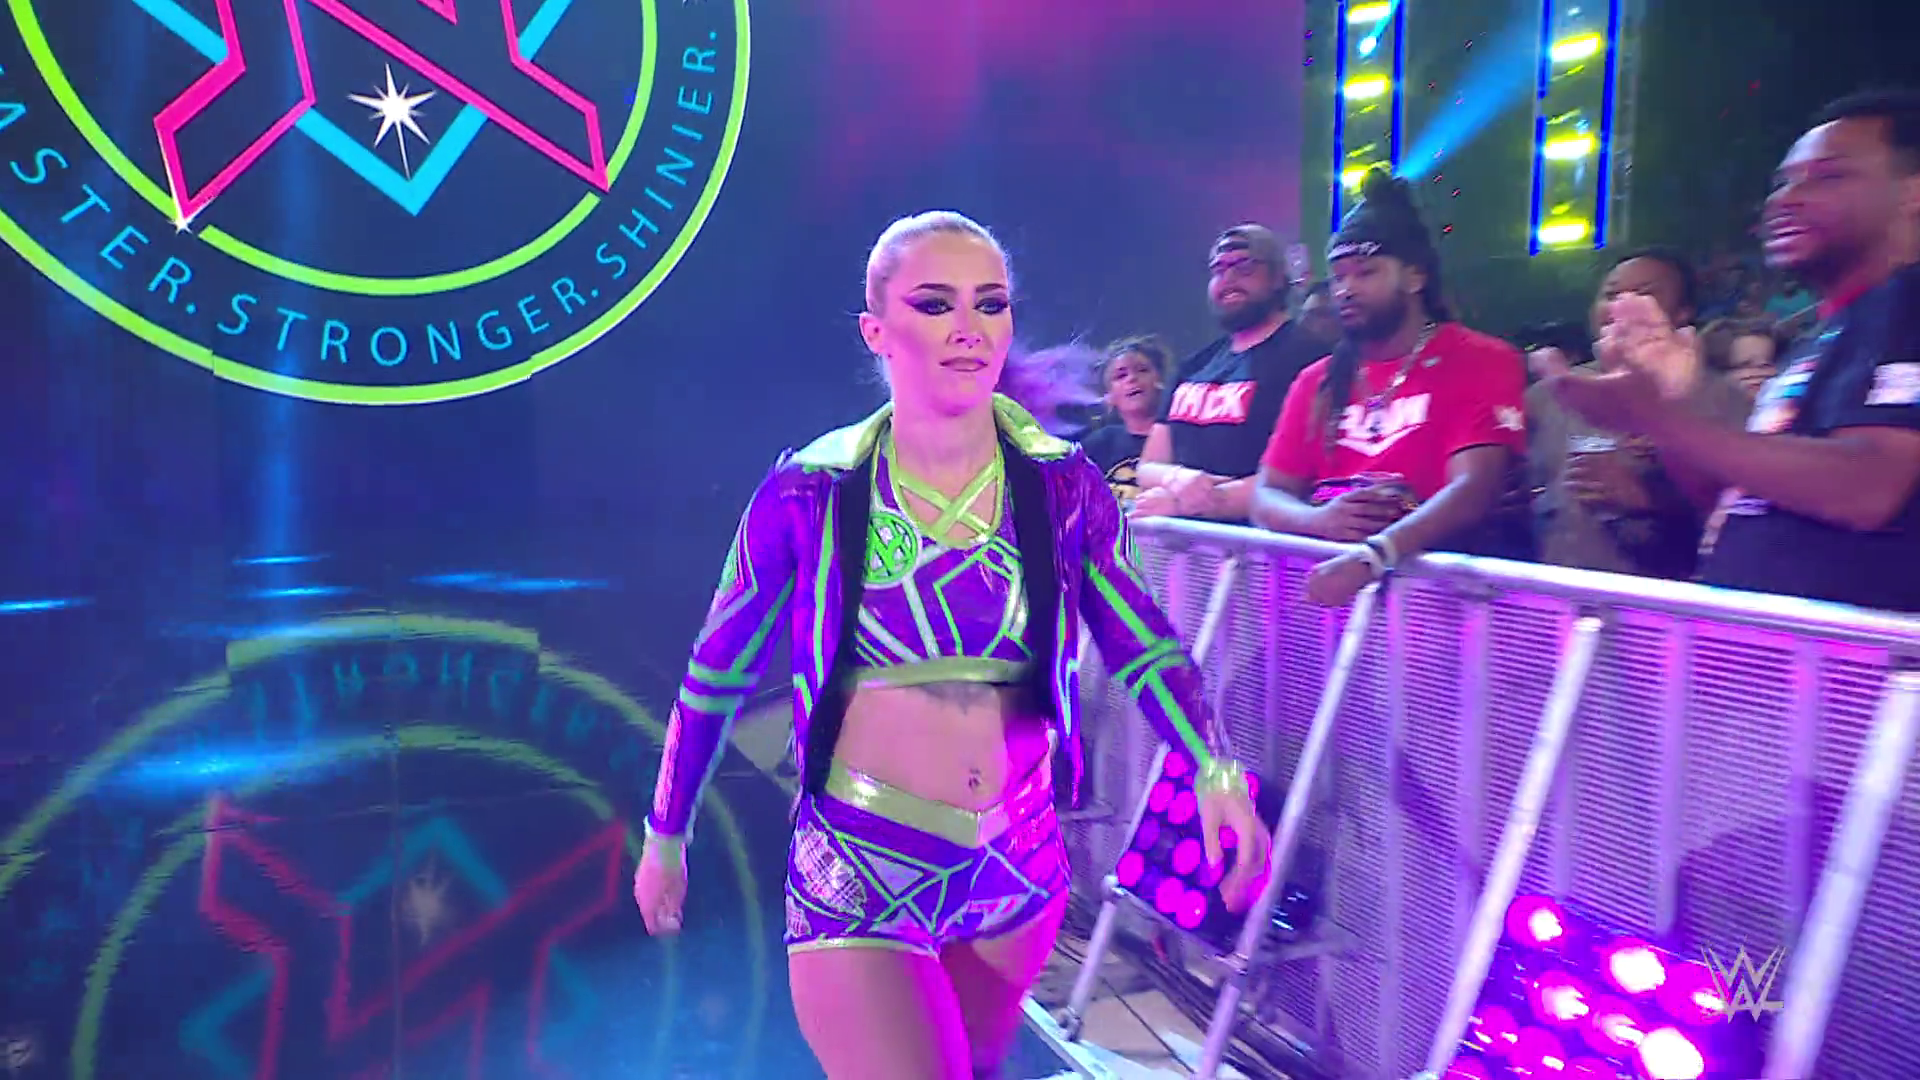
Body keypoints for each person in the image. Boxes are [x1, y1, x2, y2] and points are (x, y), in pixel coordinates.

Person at [632, 211, 1268, 1079]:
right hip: (862, 869)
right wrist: (666, 833)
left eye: (990, 303)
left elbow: (1143, 643)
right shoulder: (810, 490)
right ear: (876, 331)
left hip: (1022, 870)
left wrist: (1215, 769)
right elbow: (715, 673)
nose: (969, 327)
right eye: (935, 304)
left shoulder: (1063, 485)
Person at [1545, 89, 1920, 611]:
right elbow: (1731, 500)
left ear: (1912, 193)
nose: (1785, 200)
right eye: (1783, 182)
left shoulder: (1907, 304)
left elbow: (1867, 488)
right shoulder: (1825, 333)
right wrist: (1670, 396)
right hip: (1757, 648)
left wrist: (1653, 416)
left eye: (1828, 176)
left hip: (1849, 659)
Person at [1252, 169, 1530, 606]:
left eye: (1365, 273)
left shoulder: (1480, 358)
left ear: (1414, 277)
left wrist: (1374, 555)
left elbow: (1475, 489)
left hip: (1446, 605)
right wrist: (1319, 521)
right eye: (1338, 276)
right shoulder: (1316, 380)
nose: (1345, 289)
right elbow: (1266, 495)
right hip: (1333, 605)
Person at [1525, 249, 1751, 580]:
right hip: (1554, 597)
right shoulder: (1547, 395)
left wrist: (1650, 497)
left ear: (1682, 313)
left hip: (1662, 600)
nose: (1621, 306)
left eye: (1643, 294)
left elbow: (1747, 520)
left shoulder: (1725, 399)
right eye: (1611, 295)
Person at [1133, 225, 1325, 522]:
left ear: (1278, 277)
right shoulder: (1194, 365)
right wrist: (1178, 479)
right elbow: (1148, 466)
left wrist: (1193, 503)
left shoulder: (1310, 358)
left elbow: (1303, 478)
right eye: (1219, 268)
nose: (1229, 278)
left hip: (1258, 543)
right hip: (1179, 541)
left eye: (1244, 266)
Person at [1081, 335, 1174, 506]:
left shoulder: (1182, 439)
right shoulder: (1098, 444)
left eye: (1142, 370)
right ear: (1109, 396)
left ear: (1161, 381)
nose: (1132, 379)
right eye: (1121, 376)